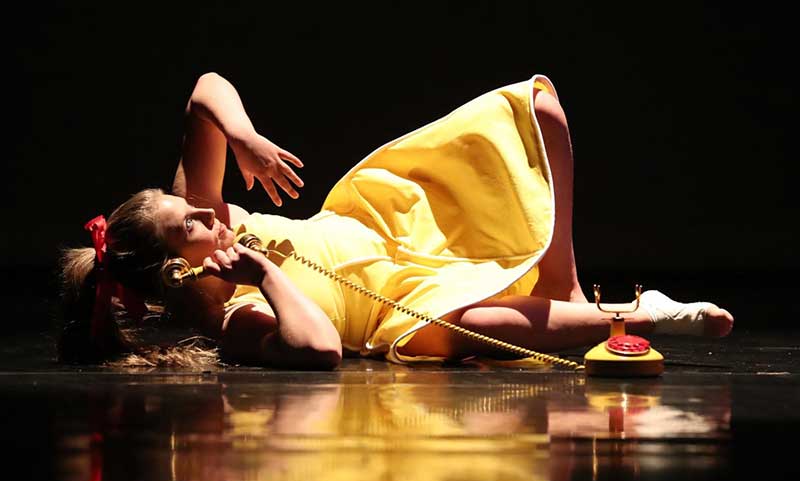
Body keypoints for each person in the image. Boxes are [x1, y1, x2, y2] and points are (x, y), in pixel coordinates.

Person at [59, 72, 734, 368]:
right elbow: (321, 348)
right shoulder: (232, 318)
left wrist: (241, 135)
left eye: (195, 207)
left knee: (532, 115)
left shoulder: (213, 212)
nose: (210, 215)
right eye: (193, 226)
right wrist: (263, 274)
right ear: (183, 268)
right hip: (394, 305)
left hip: (384, 221)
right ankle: (639, 314)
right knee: (458, 330)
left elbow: (206, 91)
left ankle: (565, 282)